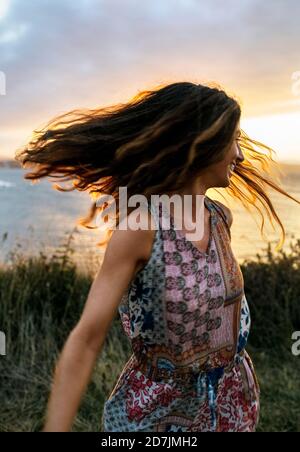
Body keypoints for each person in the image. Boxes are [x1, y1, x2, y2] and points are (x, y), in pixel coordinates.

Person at [16, 81, 299, 432]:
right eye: (234, 141)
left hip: (230, 404)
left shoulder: (219, 217)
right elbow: (87, 338)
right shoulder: (141, 226)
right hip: (160, 415)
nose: (239, 155)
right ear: (203, 143)